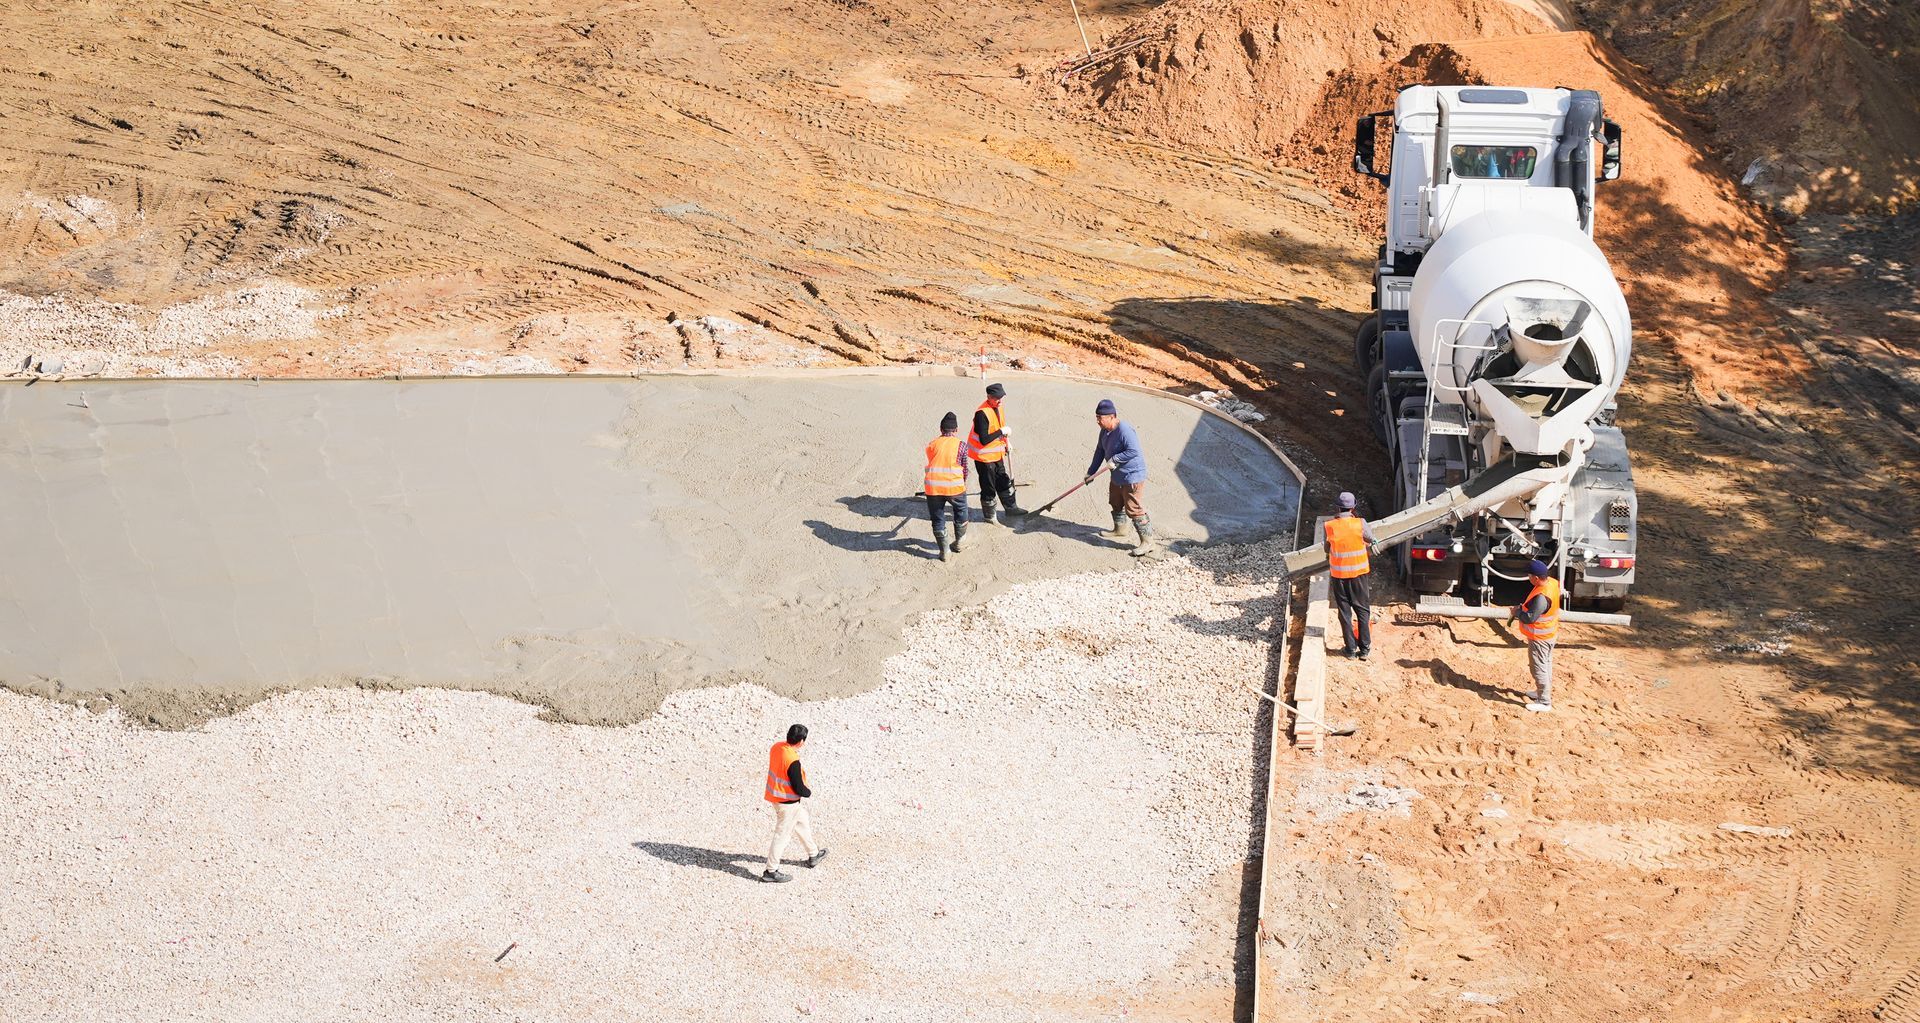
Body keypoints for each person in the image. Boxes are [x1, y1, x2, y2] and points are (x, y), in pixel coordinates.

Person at [1084, 398, 1156, 556]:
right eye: (1096, 418)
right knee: (1115, 501)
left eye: (1100, 418)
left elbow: (1134, 451)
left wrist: (1116, 459)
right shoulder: (1104, 431)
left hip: (1132, 476)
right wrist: (1091, 472)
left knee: (1133, 508)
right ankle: (1120, 529)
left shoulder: (1125, 430)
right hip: (1117, 475)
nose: (1098, 421)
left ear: (1112, 416)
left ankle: (1148, 542)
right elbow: (1099, 451)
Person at [763, 723, 827, 883]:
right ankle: (770, 871)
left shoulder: (777, 747)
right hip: (787, 803)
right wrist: (808, 792)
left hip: (777, 797)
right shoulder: (793, 760)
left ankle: (813, 854)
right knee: (782, 835)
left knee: (802, 822)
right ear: (801, 742)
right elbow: (798, 787)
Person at [1324, 491, 1375, 658]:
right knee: (1362, 611)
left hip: (1339, 577)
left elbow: (1327, 548)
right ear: (1353, 507)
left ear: (1337, 507)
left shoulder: (1330, 526)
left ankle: (1351, 650)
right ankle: (1365, 649)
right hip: (1359, 575)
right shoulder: (1360, 523)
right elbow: (1370, 538)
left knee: (1345, 612)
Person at [1508, 559, 1560, 713]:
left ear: (1536, 578)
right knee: (1546, 664)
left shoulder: (1542, 597)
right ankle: (1541, 692)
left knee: (1539, 668)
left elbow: (1529, 618)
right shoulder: (1551, 583)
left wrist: (1516, 612)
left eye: (1529, 576)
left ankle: (1544, 702)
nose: (1528, 578)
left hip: (1540, 638)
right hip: (1550, 633)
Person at [969, 382, 1022, 523]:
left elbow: (1000, 426)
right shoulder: (982, 414)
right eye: (997, 398)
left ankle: (1011, 508)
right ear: (989, 396)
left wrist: (1006, 442)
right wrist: (1001, 432)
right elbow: (984, 440)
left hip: (997, 455)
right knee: (988, 488)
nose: (1000, 400)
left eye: (1001, 397)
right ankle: (990, 517)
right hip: (984, 459)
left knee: (1004, 481)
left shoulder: (998, 407)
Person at [924, 411, 970, 562]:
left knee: (938, 519)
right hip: (954, 487)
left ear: (941, 429)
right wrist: (963, 484)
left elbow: (933, 462)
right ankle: (960, 542)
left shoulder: (931, 445)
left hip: (933, 488)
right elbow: (964, 468)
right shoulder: (961, 445)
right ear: (956, 430)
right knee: (961, 511)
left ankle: (944, 552)